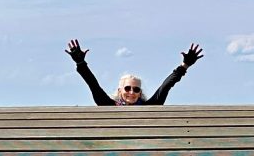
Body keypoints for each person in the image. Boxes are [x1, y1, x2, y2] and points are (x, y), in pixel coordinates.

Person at [66, 39, 203, 106]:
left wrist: (184, 65)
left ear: (140, 92)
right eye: (127, 88)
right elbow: (93, 85)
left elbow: (165, 86)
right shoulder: (109, 106)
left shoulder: (149, 108)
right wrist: (80, 63)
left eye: (136, 89)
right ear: (119, 91)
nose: (131, 92)